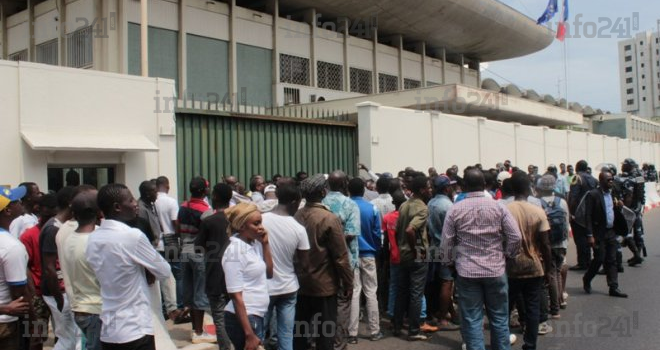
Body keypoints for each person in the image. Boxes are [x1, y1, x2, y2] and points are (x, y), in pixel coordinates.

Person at [440, 168, 521, 350]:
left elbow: (445, 244)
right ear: (485, 185)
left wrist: (450, 265)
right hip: (495, 270)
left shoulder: (455, 210)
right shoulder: (498, 206)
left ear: (464, 186)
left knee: (472, 320)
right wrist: (507, 256)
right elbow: (516, 236)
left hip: (467, 272)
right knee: (499, 318)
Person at [86, 183, 172, 350]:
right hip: (135, 328)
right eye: (131, 200)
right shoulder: (132, 236)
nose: (135, 204)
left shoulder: (93, 238)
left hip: (109, 329)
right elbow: (164, 271)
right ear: (117, 207)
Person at [294, 174, 353, 350]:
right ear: (322, 192)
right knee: (325, 332)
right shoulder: (329, 218)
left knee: (300, 330)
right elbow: (340, 257)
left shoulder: (297, 215)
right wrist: (348, 282)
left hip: (301, 283)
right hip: (324, 285)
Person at [505, 171, 553, 350]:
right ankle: (530, 344)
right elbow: (546, 244)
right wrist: (547, 270)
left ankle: (503, 341)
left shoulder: (504, 210)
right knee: (533, 307)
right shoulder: (538, 211)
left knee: (506, 307)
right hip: (533, 266)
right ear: (528, 188)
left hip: (511, 267)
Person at [262, 179, 310, 350]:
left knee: (259, 334)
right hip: (288, 288)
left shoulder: (260, 221)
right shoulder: (298, 229)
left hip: (264, 287)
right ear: (294, 202)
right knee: (286, 335)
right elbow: (304, 264)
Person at [222, 203, 273, 350]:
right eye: (256, 223)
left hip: (256, 315)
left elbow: (269, 273)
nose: (261, 227)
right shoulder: (235, 252)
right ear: (242, 226)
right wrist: (249, 334)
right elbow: (235, 295)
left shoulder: (253, 244)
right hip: (245, 319)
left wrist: (265, 244)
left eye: (261, 222)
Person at [56, 190, 102, 350]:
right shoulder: (95, 240)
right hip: (96, 309)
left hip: (80, 307)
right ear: (97, 212)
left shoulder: (66, 236)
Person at [40, 186, 84, 350]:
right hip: (58, 292)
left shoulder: (61, 226)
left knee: (73, 337)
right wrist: (60, 299)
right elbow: (49, 268)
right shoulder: (53, 229)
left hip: (63, 290)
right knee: (67, 338)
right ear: (70, 203)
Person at [322, 170, 360, 350]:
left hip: (322, 262)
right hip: (345, 262)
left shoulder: (320, 203)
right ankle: (338, 345)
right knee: (343, 303)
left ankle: (322, 343)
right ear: (345, 184)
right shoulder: (350, 204)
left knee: (324, 304)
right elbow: (351, 234)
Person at [393, 175, 433, 341]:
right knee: (416, 293)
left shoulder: (404, 204)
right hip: (416, 256)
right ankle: (414, 330)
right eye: (429, 187)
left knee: (401, 291)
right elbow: (410, 230)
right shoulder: (422, 208)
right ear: (423, 189)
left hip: (403, 254)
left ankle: (396, 326)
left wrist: (402, 247)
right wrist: (417, 251)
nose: (431, 190)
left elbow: (397, 231)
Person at [195, 183, 233, 350]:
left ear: (215, 197)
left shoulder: (209, 221)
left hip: (215, 275)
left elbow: (198, 247)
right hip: (236, 274)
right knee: (236, 314)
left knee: (219, 317)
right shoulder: (236, 220)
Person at [178, 177, 215, 343]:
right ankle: (199, 333)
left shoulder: (183, 206)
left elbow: (178, 227)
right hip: (199, 252)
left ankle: (195, 329)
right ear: (203, 191)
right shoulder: (205, 209)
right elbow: (209, 232)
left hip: (184, 250)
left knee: (190, 291)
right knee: (200, 292)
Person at [582, 171, 629, 298]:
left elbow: (613, 211)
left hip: (611, 231)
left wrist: (619, 206)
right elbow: (588, 216)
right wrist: (590, 235)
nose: (611, 181)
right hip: (598, 233)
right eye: (608, 180)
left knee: (612, 260)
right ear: (601, 181)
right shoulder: (593, 195)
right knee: (599, 259)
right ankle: (587, 279)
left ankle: (613, 287)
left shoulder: (613, 192)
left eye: (612, 179)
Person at [347, 178, 383, 343]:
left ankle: (352, 333)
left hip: (350, 255)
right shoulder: (372, 208)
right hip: (369, 254)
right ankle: (374, 331)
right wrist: (376, 249)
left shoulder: (345, 207)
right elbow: (377, 233)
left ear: (348, 190)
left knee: (354, 292)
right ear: (363, 190)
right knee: (371, 292)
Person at [20, 194, 57, 350]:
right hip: (38, 295)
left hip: (58, 292)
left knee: (63, 334)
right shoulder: (28, 235)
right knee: (36, 337)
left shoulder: (62, 232)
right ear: (40, 211)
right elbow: (24, 265)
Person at [0, 185, 33, 350]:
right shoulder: (11, 246)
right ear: (7, 211)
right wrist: (33, 329)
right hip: (6, 326)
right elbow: (20, 297)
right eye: (16, 201)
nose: (21, 203)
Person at [426, 175, 459, 331]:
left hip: (432, 245)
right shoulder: (448, 206)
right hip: (446, 247)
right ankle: (442, 319)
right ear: (446, 188)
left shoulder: (430, 203)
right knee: (447, 283)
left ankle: (448, 313)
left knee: (439, 282)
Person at [536, 175, 570, 317]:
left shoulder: (538, 203)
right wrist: (566, 244)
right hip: (561, 243)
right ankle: (560, 301)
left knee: (550, 274)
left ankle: (555, 308)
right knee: (557, 271)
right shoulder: (562, 202)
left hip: (547, 244)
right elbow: (567, 224)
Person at [154, 176, 184, 322]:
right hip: (171, 240)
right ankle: (178, 306)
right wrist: (180, 235)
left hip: (157, 243)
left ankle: (164, 308)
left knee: (161, 276)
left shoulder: (152, 202)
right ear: (167, 185)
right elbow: (175, 222)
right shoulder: (170, 201)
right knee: (177, 274)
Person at [568, 160, 598, 271]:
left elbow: (573, 197)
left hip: (579, 213)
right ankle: (589, 260)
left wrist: (571, 212)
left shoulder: (576, 178)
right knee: (589, 236)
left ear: (576, 168)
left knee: (580, 238)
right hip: (591, 212)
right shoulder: (594, 179)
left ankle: (582, 262)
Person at [137, 180, 162, 248]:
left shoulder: (151, 205)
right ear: (148, 194)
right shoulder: (141, 209)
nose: (157, 194)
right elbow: (142, 232)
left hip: (156, 245)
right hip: (148, 246)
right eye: (155, 192)